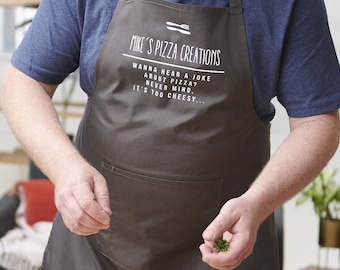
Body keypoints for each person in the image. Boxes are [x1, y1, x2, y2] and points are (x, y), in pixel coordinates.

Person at [1, 0, 340, 269]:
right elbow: (23, 83)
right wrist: (65, 170)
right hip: (91, 253)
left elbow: (318, 120)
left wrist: (258, 203)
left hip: (224, 250)